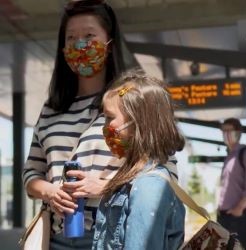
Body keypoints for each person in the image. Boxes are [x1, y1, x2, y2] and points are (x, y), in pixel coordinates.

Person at [22, 1, 137, 249]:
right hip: (56, 239)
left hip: (114, 238)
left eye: (89, 35)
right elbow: (31, 173)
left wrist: (105, 186)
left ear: (110, 44)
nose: (80, 44)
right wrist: (50, 192)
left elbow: (162, 172)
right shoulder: (51, 110)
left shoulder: (132, 101)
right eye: (71, 38)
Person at [92, 71, 186, 250]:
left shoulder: (149, 185)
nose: (104, 127)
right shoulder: (134, 177)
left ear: (138, 123)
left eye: (109, 118)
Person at [217, 118, 246, 250]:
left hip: (239, 217)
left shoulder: (245, 153)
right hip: (225, 217)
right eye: (224, 130)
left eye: (230, 130)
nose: (226, 133)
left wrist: (239, 209)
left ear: (239, 132)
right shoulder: (229, 156)